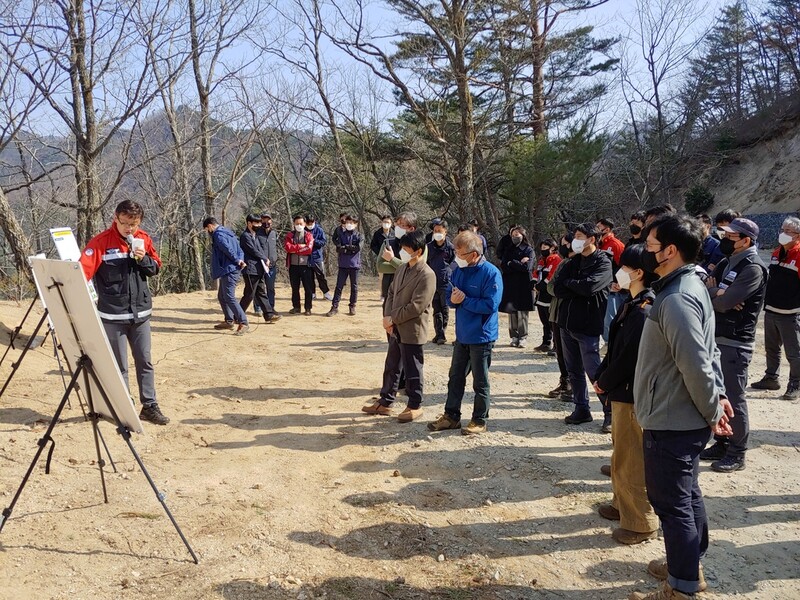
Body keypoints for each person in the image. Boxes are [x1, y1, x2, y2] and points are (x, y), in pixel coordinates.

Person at [630, 215, 733, 600]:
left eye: (652, 244)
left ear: (670, 251)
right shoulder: (688, 285)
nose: (645, 249)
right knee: (687, 495)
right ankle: (687, 564)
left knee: (672, 504)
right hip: (679, 413)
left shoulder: (676, 298)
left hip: (674, 418)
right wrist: (718, 397)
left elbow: (696, 362)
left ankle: (682, 586)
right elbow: (709, 350)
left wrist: (713, 408)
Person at [80, 200, 169, 425]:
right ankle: (123, 407)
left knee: (145, 361)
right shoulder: (100, 243)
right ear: (116, 218)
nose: (130, 228)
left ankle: (149, 406)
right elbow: (81, 274)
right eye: (126, 223)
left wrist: (142, 258)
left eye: (134, 224)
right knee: (119, 365)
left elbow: (155, 268)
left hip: (141, 314)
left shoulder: (144, 239)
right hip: (112, 316)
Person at [593, 244, 658, 545]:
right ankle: (622, 505)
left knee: (633, 458)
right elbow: (615, 347)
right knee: (620, 453)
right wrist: (602, 376)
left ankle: (640, 522)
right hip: (620, 390)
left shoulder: (645, 310)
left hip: (633, 393)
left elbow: (630, 357)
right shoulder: (630, 303)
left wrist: (605, 380)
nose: (618, 271)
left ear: (639, 272)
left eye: (623, 266)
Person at [699, 218, 767, 473]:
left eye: (731, 237)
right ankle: (722, 441)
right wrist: (716, 293)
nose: (725, 240)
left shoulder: (753, 268)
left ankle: (738, 452)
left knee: (734, 398)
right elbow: (705, 292)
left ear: (745, 241)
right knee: (718, 394)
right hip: (718, 337)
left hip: (735, 341)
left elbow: (727, 303)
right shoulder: (728, 262)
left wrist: (718, 295)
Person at [428, 231, 503, 435]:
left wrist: (465, 301)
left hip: (482, 336)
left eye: (460, 253)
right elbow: (451, 298)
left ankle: (480, 419)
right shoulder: (459, 270)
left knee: (480, 380)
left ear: (474, 253)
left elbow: (491, 304)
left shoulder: (491, 273)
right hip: (462, 335)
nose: (456, 257)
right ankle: (451, 416)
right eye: (456, 252)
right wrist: (454, 300)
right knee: (455, 377)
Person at [362, 231, 436, 422]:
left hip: (412, 328)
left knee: (412, 369)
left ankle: (414, 405)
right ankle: (385, 401)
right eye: (401, 248)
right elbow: (392, 292)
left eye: (406, 249)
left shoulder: (427, 274)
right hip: (395, 325)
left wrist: (393, 318)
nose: (402, 252)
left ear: (418, 251)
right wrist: (387, 316)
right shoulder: (402, 268)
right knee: (392, 365)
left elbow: (416, 306)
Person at [551, 223, 612, 428]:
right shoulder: (572, 261)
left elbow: (590, 287)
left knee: (594, 370)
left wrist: (572, 284)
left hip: (587, 326)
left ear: (591, 239)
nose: (575, 240)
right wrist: (574, 285)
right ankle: (581, 409)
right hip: (566, 324)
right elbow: (557, 287)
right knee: (573, 370)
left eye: (579, 236)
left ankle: (609, 411)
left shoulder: (603, 262)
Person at [751, 216, 800, 401]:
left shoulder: (799, 253)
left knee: (794, 353)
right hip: (771, 309)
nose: (783, 234)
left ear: (797, 235)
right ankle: (771, 378)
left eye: (788, 231)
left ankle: (795, 384)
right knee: (772, 349)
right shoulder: (777, 252)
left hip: (790, 313)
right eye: (782, 229)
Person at [203, 216, 249, 335]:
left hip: (230, 268)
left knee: (229, 296)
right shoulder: (229, 232)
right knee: (222, 296)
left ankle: (243, 322)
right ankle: (229, 320)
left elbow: (226, 249)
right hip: (230, 268)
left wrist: (237, 260)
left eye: (206, 230)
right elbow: (240, 249)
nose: (207, 232)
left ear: (209, 226)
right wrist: (240, 259)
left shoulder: (218, 235)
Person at [545, 234, 574, 400]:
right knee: (560, 351)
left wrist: (562, 288)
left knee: (571, 353)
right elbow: (551, 286)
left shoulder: (579, 265)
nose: (565, 247)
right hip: (555, 312)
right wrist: (559, 289)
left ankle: (573, 385)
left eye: (567, 244)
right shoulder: (562, 263)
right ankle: (564, 381)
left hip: (569, 314)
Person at [239, 214, 281, 324]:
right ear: (249, 223)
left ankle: (269, 315)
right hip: (250, 269)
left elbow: (260, 249)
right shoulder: (245, 236)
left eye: (259, 223)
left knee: (262, 292)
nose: (259, 225)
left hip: (259, 268)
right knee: (249, 295)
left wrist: (265, 259)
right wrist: (264, 257)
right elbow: (253, 250)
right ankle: (237, 315)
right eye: (256, 223)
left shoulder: (255, 235)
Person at [377, 212, 426, 303]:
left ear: (411, 228)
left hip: (411, 289)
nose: (398, 227)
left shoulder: (421, 246)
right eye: (397, 224)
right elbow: (380, 266)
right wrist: (406, 267)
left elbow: (418, 268)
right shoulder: (387, 243)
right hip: (390, 288)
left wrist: (392, 259)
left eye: (402, 225)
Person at [499, 226, 534, 348]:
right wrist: (517, 262)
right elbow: (504, 265)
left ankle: (523, 337)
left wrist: (512, 263)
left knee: (522, 311)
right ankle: (513, 336)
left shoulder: (529, 250)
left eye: (517, 234)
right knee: (511, 311)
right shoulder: (508, 250)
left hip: (523, 284)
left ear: (523, 235)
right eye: (513, 234)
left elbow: (527, 268)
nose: (515, 236)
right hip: (510, 283)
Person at [327, 214, 362, 316]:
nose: (349, 224)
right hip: (343, 264)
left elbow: (358, 248)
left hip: (354, 265)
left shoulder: (359, 235)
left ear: (355, 224)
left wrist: (346, 247)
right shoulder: (341, 234)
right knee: (339, 286)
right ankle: (334, 306)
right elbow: (338, 248)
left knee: (354, 287)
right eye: (347, 222)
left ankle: (352, 306)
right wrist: (348, 248)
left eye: (351, 223)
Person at [426, 219, 455, 344]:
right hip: (432, 283)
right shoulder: (428, 247)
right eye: (435, 230)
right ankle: (439, 334)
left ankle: (442, 331)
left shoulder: (450, 247)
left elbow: (454, 263)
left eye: (439, 230)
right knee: (436, 309)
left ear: (445, 232)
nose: (437, 232)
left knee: (445, 308)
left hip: (445, 282)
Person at [597, 218, 626, 343]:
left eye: (598, 227)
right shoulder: (599, 244)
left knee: (610, 317)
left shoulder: (616, 245)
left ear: (607, 229)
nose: (596, 230)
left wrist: (622, 284)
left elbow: (624, 266)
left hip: (614, 289)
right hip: (602, 286)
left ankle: (611, 342)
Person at [533, 238, 561, 352]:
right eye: (542, 248)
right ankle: (546, 342)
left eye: (545, 248)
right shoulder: (542, 260)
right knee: (544, 320)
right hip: (540, 295)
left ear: (552, 248)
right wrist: (534, 281)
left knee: (552, 321)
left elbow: (552, 275)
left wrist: (542, 285)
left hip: (549, 294)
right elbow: (536, 272)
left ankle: (557, 345)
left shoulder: (556, 260)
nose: (542, 250)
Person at [285, 214, 315, 315]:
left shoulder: (309, 235)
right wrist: (300, 247)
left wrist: (295, 249)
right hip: (293, 266)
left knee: (308, 288)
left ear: (305, 224)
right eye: (297, 223)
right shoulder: (290, 235)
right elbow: (288, 248)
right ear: (294, 224)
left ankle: (308, 308)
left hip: (306, 266)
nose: (299, 225)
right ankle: (296, 307)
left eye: (301, 223)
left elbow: (309, 249)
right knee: (295, 288)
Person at [305, 215, 332, 301]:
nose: (310, 224)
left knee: (321, 276)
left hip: (317, 257)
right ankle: (312, 293)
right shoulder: (303, 230)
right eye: (308, 223)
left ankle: (326, 293)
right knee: (309, 277)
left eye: (311, 223)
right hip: (306, 257)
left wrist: (313, 241)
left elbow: (323, 242)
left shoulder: (319, 230)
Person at [258, 213, 279, 312]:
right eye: (264, 220)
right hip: (260, 265)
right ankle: (258, 307)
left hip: (272, 266)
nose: (266, 222)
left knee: (271, 288)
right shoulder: (257, 233)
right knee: (259, 288)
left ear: (271, 221)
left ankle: (271, 307)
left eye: (268, 220)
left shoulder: (274, 233)